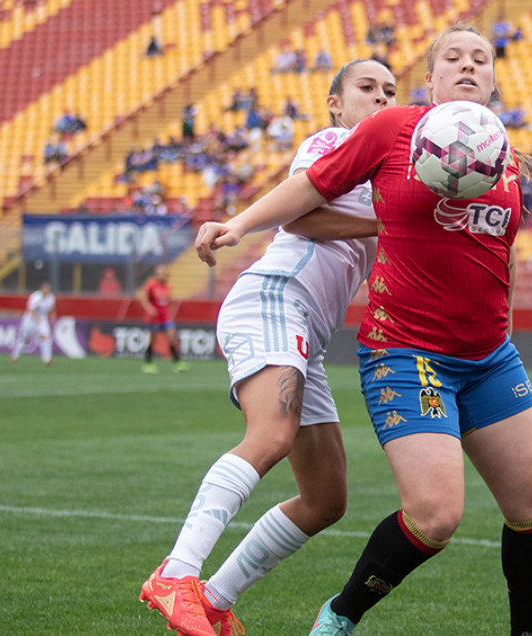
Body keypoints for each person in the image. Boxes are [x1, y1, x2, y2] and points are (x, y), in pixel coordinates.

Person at [193, 25, 532, 636]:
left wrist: (506, 333)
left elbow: (504, 255)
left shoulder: (503, 157)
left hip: (490, 357)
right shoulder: (393, 131)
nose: (468, 66)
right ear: (432, 78)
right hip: (408, 352)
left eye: (481, 59)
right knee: (436, 516)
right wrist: (240, 223)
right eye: (453, 58)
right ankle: (340, 615)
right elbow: (311, 188)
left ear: (493, 80)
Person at [140, 59, 397, 636]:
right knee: (270, 436)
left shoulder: (390, 177)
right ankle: (175, 573)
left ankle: (213, 598)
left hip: (307, 333)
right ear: (335, 103)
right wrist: (385, 225)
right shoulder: (331, 143)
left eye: (390, 92)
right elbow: (304, 220)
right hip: (274, 299)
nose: (380, 98)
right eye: (366, 88)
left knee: (326, 496)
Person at [138, 264, 188, 374]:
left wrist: (167, 312)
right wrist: (150, 309)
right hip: (153, 319)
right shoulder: (151, 286)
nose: (162, 276)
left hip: (165, 318)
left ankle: (177, 363)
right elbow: (144, 300)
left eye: (164, 274)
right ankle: (148, 363)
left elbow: (168, 301)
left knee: (172, 338)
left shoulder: (167, 286)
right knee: (153, 340)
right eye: (160, 273)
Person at [10, 282, 56, 366]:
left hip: (42, 318)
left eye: (48, 289)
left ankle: (47, 359)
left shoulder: (51, 298)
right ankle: (15, 356)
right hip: (30, 319)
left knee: (47, 337)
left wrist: (52, 317)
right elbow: (30, 309)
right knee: (23, 338)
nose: (46, 291)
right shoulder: (36, 296)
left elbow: (51, 309)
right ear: (41, 289)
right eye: (45, 289)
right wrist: (37, 319)